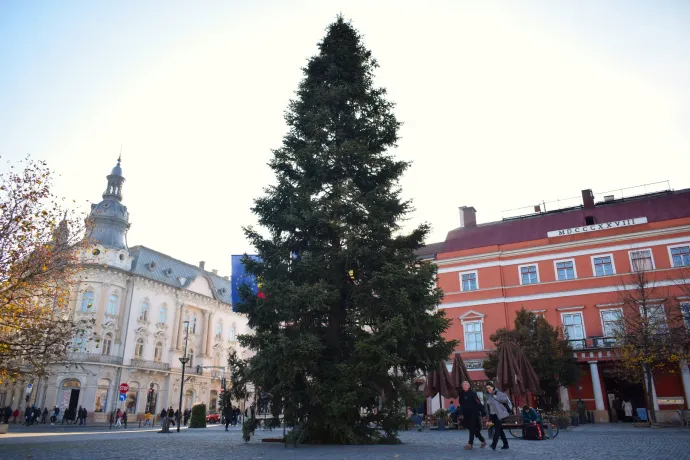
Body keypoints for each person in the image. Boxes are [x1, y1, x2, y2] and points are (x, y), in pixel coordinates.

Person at [459, 381, 486, 450]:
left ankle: (470, 444)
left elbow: (478, 403)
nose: (464, 386)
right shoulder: (461, 394)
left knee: (471, 428)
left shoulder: (473, 394)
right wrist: (460, 413)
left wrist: (482, 412)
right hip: (466, 414)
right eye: (463, 385)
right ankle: (482, 440)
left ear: (469, 386)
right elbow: (461, 404)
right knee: (474, 429)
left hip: (474, 414)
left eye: (466, 385)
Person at [483, 382, 510, 450]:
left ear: (493, 387)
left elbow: (505, 400)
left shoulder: (499, 393)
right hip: (492, 415)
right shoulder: (488, 395)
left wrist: (497, 398)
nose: (488, 389)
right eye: (487, 388)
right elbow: (488, 406)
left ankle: (493, 444)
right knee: (500, 430)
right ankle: (506, 444)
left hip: (499, 414)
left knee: (497, 430)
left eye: (489, 388)